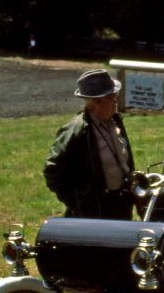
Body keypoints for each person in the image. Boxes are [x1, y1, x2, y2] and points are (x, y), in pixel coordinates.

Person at [43, 68, 136, 220]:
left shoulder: (115, 120)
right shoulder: (76, 130)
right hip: (95, 212)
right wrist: (77, 202)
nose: (116, 100)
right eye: (111, 96)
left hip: (121, 205)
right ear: (96, 102)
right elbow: (52, 170)